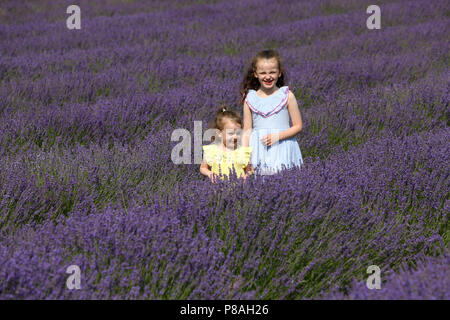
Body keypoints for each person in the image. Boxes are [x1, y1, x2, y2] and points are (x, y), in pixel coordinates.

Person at [240, 49, 304, 176]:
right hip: (258, 148)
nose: (268, 76)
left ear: (279, 73)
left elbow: (298, 126)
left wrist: (277, 137)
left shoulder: (287, 95)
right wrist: (244, 155)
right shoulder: (250, 98)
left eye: (272, 72)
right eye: (263, 73)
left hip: (283, 146)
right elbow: (247, 131)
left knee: (285, 181)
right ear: (255, 74)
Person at [200, 106, 253, 183]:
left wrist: (246, 176)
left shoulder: (242, 151)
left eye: (238, 133)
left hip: (239, 190)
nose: (235, 136)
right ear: (219, 133)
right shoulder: (212, 150)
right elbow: (203, 168)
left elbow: (250, 170)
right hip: (217, 189)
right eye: (231, 133)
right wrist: (209, 173)